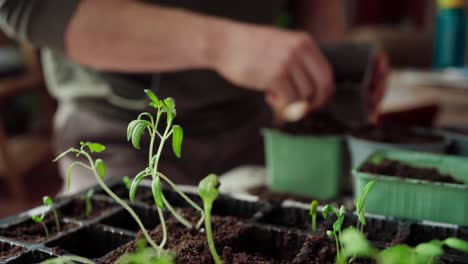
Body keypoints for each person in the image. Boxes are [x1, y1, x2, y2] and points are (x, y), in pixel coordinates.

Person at [0, 0, 352, 193]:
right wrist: (222, 44)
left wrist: (326, 67)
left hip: (254, 126)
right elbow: (26, 6)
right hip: (116, 136)